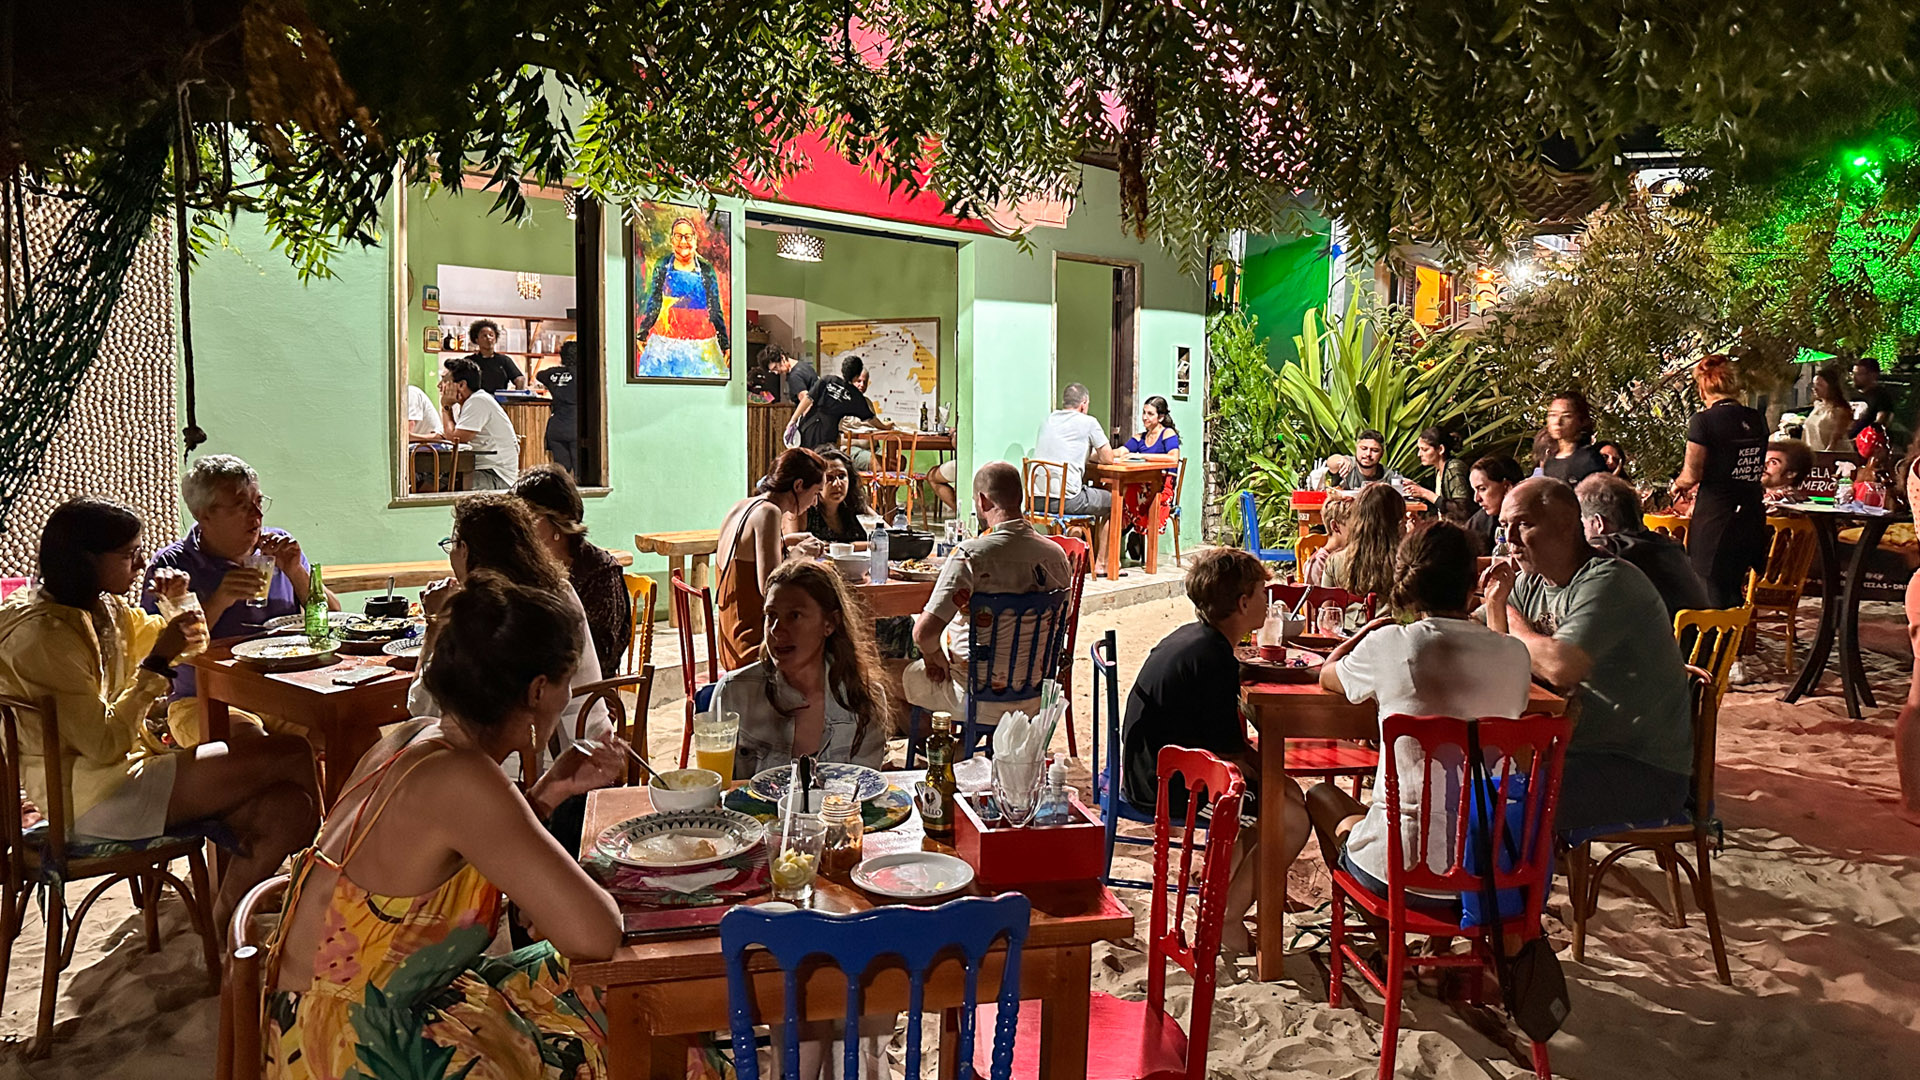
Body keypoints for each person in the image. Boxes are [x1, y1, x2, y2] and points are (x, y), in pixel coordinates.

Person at [264, 573, 624, 1080]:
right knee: (622, 1010)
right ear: (539, 690)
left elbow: (447, 857)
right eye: (568, 682)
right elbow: (598, 934)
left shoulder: (415, 740)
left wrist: (550, 791)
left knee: (568, 984)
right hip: (350, 1048)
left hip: (346, 1011)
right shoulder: (464, 778)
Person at [0, 498, 321, 934]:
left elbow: (193, 644)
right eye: (129, 555)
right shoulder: (44, 637)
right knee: (291, 751)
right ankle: (325, 892)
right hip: (90, 801)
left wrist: (178, 602)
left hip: (122, 775)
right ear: (87, 559)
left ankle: (227, 916)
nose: (140, 564)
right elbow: (106, 743)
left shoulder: (99, 609)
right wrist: (156, 666)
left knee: (290, 809)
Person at [1309, 521, 1534, 909]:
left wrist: (1363, 636)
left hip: (1396, 874)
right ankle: (1433, 950)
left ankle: (1386, 937)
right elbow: (1503, 649)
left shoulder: (1390, 644)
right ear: (1471, 583)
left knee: (1321, 795)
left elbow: (1328, 675)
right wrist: (1495, 605)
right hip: (1487, 875)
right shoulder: (1516, 656)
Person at [1482, 478, 1694, 833]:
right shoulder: (1532, 580)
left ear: (1567, 525)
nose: (1511, 540)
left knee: (1492, 810)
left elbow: (1561, 666)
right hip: (1570, 751)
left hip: (1639, 769)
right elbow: (1482, 635)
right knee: (1464, 787)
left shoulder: (1610, 581)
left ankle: (1508, 886)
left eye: (1523, 524)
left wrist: (1503, 614)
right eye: (1505, 528)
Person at [1119, 547, 1295, 959]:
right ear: (1243, 602)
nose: (1268, 603)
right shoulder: (1212, 656)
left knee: (1282, 796)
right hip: (1168, 784)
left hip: (1154, 765)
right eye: (1262, 593)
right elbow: (1229, 752)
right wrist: (1273, 777)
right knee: (1289, 814)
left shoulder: (1200, 639)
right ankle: (1226, 918)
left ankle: (1222, 901)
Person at [142, 454, 338, 748]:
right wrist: (221, 598)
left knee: (349, 734)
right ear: (204, 514)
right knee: (254, 746)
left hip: (284, 690)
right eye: (241, 506)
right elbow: (159, 651)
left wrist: (296, 571)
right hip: (203, 698)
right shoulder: (172, 564)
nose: (257, 515)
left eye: (259, 502)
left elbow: (334, 618)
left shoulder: (278, 547)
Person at [411, 494, 609, 749]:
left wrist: (435, 622)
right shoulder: (559, 589)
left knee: (428, 745)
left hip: (535, 758)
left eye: (454, 544)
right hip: (587, 733)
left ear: (466, 550)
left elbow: (421, 706)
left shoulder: (489, 609)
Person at [905, 462, 1074, 725]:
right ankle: (963, 752)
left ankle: (944, 751)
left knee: (894, 675)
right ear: (1021, 498)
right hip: (1036, 697)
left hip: (975, 697)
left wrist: (934, 657)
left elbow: (923, 634)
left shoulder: (971, 556)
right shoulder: (1057, 557)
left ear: (982, 501)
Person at [710, 559, 891, 778]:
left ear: (829, 624)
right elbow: (713, 790)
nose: (777, 631)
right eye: (771, 616)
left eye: (794, 616)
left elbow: (862, 793)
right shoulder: (733, 693)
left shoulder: (863, 701)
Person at [513, 464, 631, 677]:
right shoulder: (525, 564)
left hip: (587, 692)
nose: (519, 526)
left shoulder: (600, 572)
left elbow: (603, 655)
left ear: (557, 520)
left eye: (529, 516)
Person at [1673, 354, 1770, 609]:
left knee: (1710, 590)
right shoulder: (1756, 419)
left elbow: (1691, 474)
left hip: (1717, 517)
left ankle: (1710, 647)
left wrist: (1677, 485)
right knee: (1733, 588)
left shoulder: (1703, 422)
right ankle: (1732, 644)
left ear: (1702, 388)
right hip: (1751, 514)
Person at [715, 449, 828, 670]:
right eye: (815, 493)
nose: (815, 503)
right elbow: (770, 587)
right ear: (798, 486)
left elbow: (747, 554)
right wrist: (800, 553)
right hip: (750, 646)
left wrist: (789, 540)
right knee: (825, 643)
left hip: (728, 639)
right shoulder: (769, 513)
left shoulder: (744, 505)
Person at [1576, 473, 1710, 620]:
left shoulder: (1609, 550)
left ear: (1598, 523)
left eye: (1581, 522)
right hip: (1705, 638)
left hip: (1663, 641)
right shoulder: (1671, 546)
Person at [635, 216, 731, 379]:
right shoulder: (663, 265)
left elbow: (714, 309)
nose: (683, 241)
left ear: (694, 239)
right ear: (672, 239)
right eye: (679, 236)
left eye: (688, 236)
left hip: (701, 347)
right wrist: (642, 333)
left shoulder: (706, 270)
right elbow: (655, 302)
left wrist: (724, 342)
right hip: (665, 346)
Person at [1033, 382, 1115, 562]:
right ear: (1084, 403)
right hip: (1066, 501)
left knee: (1079, 500)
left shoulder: (1049, 419)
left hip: (1037, 501)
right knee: (1112, 501)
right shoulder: (1088, 422)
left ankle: (1070, 549)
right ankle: (1102, 563)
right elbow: (1108, 458)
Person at [435, 356, 520, 489]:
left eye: (444, 381)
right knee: (431, 480)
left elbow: (457, 438)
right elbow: (447, 434)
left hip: (495, 474)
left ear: (462, 385)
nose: (439, 386)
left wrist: (446, 408)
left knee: (445, 485)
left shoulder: (478, 401)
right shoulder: (466, 403)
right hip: (476, 468)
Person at [1317, 483, 1406, 602]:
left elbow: (1326, 612)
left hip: (1349, 620)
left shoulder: (1335, 562)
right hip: (1395, 620)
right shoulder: (1407, 562)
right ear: (1398, 521)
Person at [1121, 395, 1182, 563]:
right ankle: (1128, 528)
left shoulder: (1167, 434)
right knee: (1121, 491)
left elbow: (1173, 458)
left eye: (1150, 414)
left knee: (1130, 492)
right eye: (1143, 413)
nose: (1145, 417)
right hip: (1142, 484)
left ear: (1160, 417)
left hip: (1162, 486)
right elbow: (1123, 451)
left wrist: (1143, 457)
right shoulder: (1140, 437)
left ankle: (1130, 527)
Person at [794, 355, 878, 452]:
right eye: (859, 381)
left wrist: (793, 421)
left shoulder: (828, 380)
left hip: (810, 426)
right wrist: (886, 427)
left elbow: (808, 398)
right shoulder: (855, 397)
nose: (862, 385)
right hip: (831, 437)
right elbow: (871, 419)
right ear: (856, 376)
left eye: (865, 382)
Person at [788, 448, 870, 544]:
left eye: (841, 476)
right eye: (829, 477)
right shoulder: (802, 508)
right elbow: (792, 547)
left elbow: (887, 538)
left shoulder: (854, 504)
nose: (837, 484)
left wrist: (850, 547)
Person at [1536, 390, 1608, 486]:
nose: (1557, 422)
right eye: (1553, 415)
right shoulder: (1549, 462)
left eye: (1566, 416)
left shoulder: (1589, 459)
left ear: (1581, 421)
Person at [1402, 426, 1472, 521]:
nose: (1419, 454)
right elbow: (1440, 503)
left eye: (1425, 450)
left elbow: (1462, 510)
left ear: (1441, 449)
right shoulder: (1439, 470)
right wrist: (1418, 489)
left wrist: (1425, 493)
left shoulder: (1454, 468)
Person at [1308, 429, 1404, 494]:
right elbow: (1331, 463)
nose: (1368, 454)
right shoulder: (1348, 464)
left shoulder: (1387, 475)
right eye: (1364, 448)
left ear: (1382, 453)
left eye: (1374, 450)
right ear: (1356, 448)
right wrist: (1341, 459)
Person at [1467, 454, 1525, 554]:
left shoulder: (1534, 521)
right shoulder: (1478, 524)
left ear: (1506, 486)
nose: (1476, 499)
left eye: (1482, 489)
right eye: (1474, 491)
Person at [537, 341, 580, 475]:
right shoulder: (585, 375)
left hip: (556, 427)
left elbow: (539, 375)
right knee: (581, 474)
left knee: (561, 473)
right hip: (577, 427)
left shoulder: (552, 373)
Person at [461, 319, 526, 393]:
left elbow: (520, 379)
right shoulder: (469, 361)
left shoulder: (504, 360)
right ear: (476, 340)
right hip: (476, 400)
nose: (489, 338)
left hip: (499, 401)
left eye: (491, 335)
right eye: (484, 336)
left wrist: (518, 398)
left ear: (495, 339)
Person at [1802, 364, 1854, 452]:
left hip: (1834, 456)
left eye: (1820, 385)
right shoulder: (1818, 406)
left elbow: (1834, 441)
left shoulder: (1840, 411)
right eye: (1814, 384)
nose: (1815, 388)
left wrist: (1824, 457)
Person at [1302, 498, 1353, 587]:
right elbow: (1313, 599)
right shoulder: (1318, 563)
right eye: (1353, 526)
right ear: (1335, 526)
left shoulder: (1350, 555)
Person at [1851, 355, 1897, 439]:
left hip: (1866, 444)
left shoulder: (1881, 396)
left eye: (1859, 374)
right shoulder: (1851, 394)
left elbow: (1881, 422)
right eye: (1853, 373)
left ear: (1873, 375)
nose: (1854, 377)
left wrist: (1865, 438)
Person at [1763, 438, 1815, 506]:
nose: (1763, 466)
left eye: (1773, 462)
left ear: (1791, 474)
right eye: (1763, 460)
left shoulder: (1778, 502)